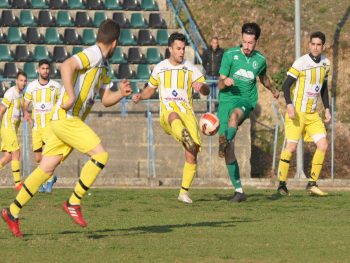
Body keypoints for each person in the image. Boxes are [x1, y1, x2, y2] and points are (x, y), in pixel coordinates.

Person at [2, 19, 132, 237]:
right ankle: (73, 201)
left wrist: (120, 93)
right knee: (101, 155)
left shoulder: (103, 65)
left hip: (64, 121)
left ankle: (12, 212)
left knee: (45, 169)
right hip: (67, 118)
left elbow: (106, 99)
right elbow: (67, 65)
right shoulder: (94, 53)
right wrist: (71, 95)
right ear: (115, 43)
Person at [132, 32, 209, 204]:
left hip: (187, 114)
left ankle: (183, 193)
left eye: (183, 49)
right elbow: (150, 89)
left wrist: (201, 87)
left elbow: (206, 90)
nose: (182, 52)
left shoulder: (190, 68)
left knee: (192, 155)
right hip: (168, 113)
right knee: (173, 115)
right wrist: (140, 96)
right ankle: (183, 134)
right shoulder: (160, 67)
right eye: (178, 48)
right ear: (170, 49)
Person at [217, 22, 279, 202]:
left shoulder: (260, 60)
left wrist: (273, 90)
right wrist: (226, 81)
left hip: (245, 100)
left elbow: (264, 78)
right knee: (229, 152)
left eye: (250, 43)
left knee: (235, 116)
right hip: (225, 101)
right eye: (244, 42)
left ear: (256, 41)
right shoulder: (230, 55)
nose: (247, 46)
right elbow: (219, 84)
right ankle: (239, 191)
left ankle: (226, 139)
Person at [277, 31, 331, 196]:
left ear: (323, 46)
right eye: (313, 44)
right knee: (291, 147)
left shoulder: (326, 64)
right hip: (297, 112)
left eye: (318, 44)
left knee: (323, 145)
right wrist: (289, 105)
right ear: (309, 45)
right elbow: (286, 86)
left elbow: (323, 89)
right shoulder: (301, 62)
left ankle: (312, 184)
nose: (315, 47)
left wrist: (327, 108)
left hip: (313, 114)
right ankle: (281, 185)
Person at [23, 59, 62, 193]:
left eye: (47, 68)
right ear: (38, 70)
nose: (45, 71)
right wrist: (26, 112)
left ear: (49, 70)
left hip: (50, 127)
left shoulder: (56, 86)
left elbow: (60, 103)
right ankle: (46, 179)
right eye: (43, 68)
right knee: (38, 158)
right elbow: (26, 103)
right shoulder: (32, 86)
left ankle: (48, 181)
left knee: (47, 156)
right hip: (36, 127)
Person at [0, 72, 27, 190]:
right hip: (7, 127)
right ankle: (18, 184)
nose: (23, 83)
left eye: (25, 81)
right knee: (16, 152)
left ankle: (17, 183)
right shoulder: (10, 93)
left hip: (13, 128)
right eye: (21, 80)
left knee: (7, 158)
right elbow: (1, 110)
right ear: (16, 81)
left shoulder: (21, 95)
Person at [202, 37, 224, 112]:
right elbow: (204, 62)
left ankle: (217, 112)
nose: (215, 44)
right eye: (213, 42)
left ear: (218, 44)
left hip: (218, 76)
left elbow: (223, 63)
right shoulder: (207, 51)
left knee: (217, 95)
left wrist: (221, 72)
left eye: (216, 43)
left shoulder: (221, 52)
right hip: (209, 76)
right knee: (209, 95)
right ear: (211, 43)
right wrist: (207, 69)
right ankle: (208, 111)